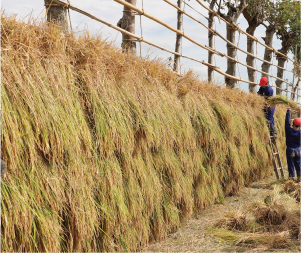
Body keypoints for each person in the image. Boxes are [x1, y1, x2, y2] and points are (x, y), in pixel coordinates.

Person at [285, 108, 301, 181]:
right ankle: (300, 179)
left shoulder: (288, 130)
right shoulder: (300, 132)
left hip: (290, 149)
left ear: (293, 123)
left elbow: (287, 122)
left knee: (291, 165)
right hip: (298, 150)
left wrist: (288, 112)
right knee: (298, 164)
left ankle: (292, 180)